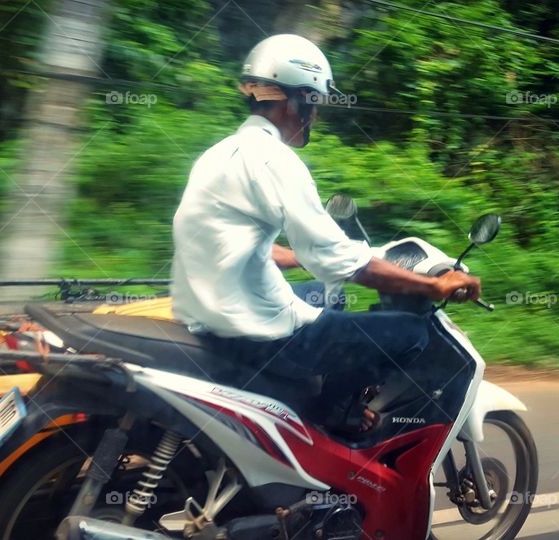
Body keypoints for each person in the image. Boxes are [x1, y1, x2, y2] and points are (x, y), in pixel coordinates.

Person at [171, 34, 481, 433]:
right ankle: (336, 414)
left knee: (325, 294)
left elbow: (238, 240)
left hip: (210, 316)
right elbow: (344, 263)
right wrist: (431, 287)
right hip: (256, 334)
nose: (315, 116)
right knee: (411, 331)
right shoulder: (276, 160)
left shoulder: (221, 153)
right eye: (314, 104)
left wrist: (302, 255)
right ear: (298, 99)